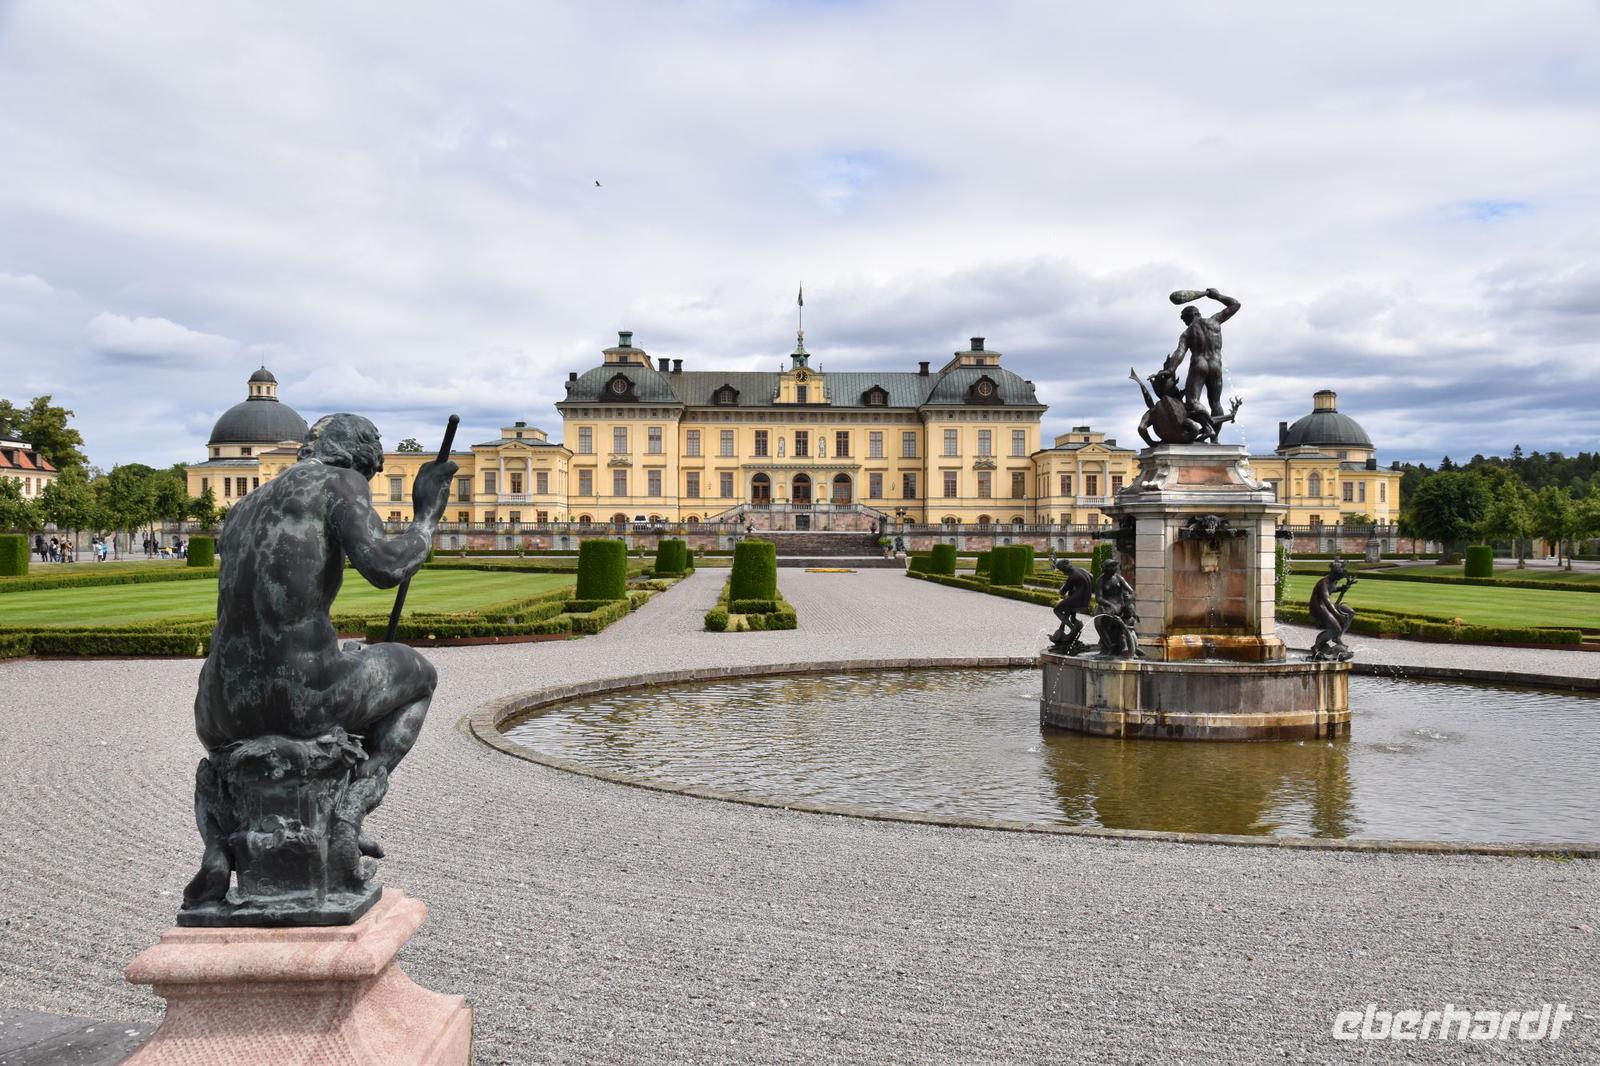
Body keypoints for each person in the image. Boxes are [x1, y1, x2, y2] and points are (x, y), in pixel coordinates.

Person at [188, 414, 455, 894]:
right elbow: (386, 567)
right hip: (302, 696)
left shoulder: (245, 505)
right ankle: (348, 815)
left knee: (221, 754)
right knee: (420, 675)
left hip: (220, 706)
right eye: (373, 462)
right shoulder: (341, 482)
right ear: (361, 453)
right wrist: (426, 515)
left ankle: (217, 846)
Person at [1162, 288, 1240, 421]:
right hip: (1216, 365)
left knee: (1192, 402)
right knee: (1215, 403)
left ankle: (1208, 425)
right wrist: (1217, 296)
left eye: (1184, 320)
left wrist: (1171, 369)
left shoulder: (1187, 333)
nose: (1185, 323)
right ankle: (1214, 437)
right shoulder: (1214, 321)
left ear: (1190, 316)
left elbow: (1179, 352)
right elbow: (1235, 305)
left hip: (1199, 364)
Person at [1049, 557, 1093, 654]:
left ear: (1064, 569)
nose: (1062, 572)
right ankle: (1063, 629)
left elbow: (1062, 592)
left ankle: (1071, 627)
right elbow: (1091, 576)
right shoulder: (1081, 570)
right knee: (1068, 608)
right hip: (1086, 598)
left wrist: (1063, 586)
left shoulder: (1073, 576)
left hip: (1079, 599)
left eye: (1061, 570)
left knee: (1057, 610)